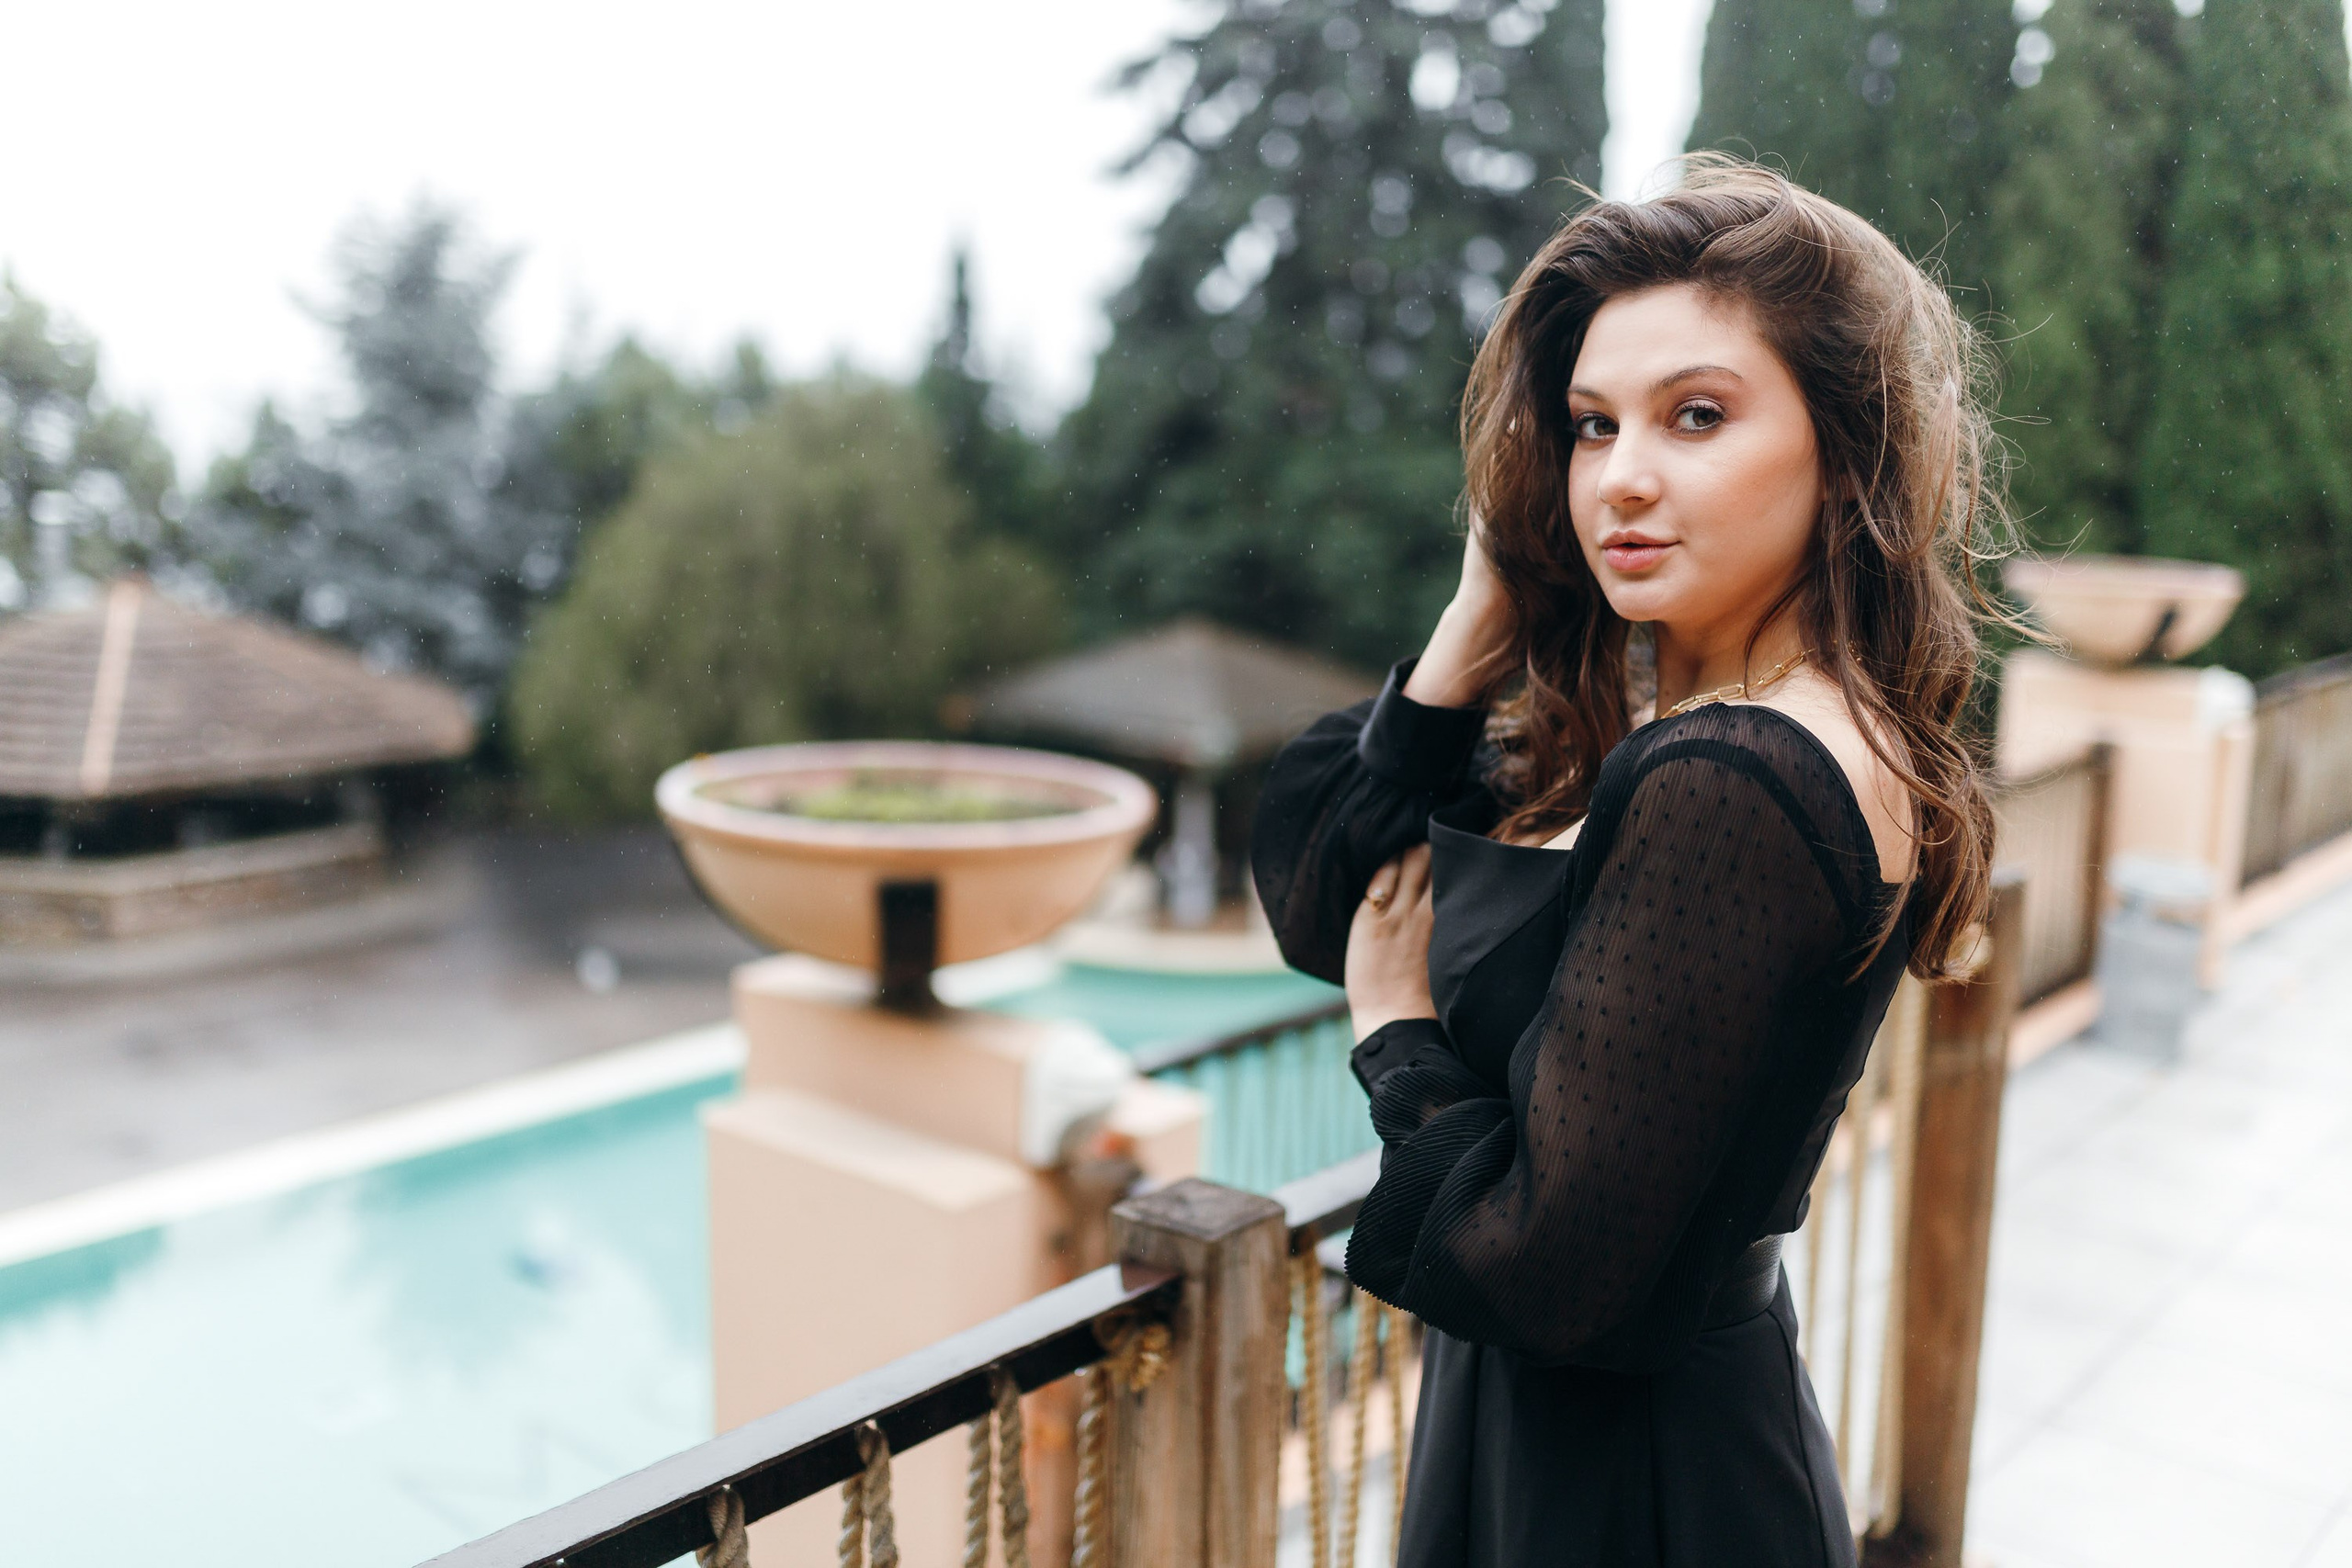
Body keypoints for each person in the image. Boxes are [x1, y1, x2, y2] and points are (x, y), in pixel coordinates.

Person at [1250, 158, 2006, 1567]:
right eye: (1593, 426)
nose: (1621, 478)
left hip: (1625, 1488)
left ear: (1845, 444)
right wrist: (1473, 630)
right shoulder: (1706, 730)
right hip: (1624, 1445)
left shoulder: (1728, 775)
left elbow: (1552, 1265)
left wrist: (1396, 1031)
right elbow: (1318, 889)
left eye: (1697, 415)